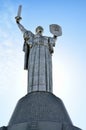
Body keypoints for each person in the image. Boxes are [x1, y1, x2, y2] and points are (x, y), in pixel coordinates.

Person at [16, 18, 57, 93]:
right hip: (34, 53)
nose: (40, 29)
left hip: (45, 54)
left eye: (41, 29)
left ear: (43, 31)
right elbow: (24, 30)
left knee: (45, 70)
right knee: (34, 69)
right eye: (38, 29)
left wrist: (55, 34)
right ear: (36, 30)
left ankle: (46, 91)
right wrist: (18, 23)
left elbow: (53, 39)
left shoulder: (46, 38)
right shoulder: (32, 36)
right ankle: (33, 91)